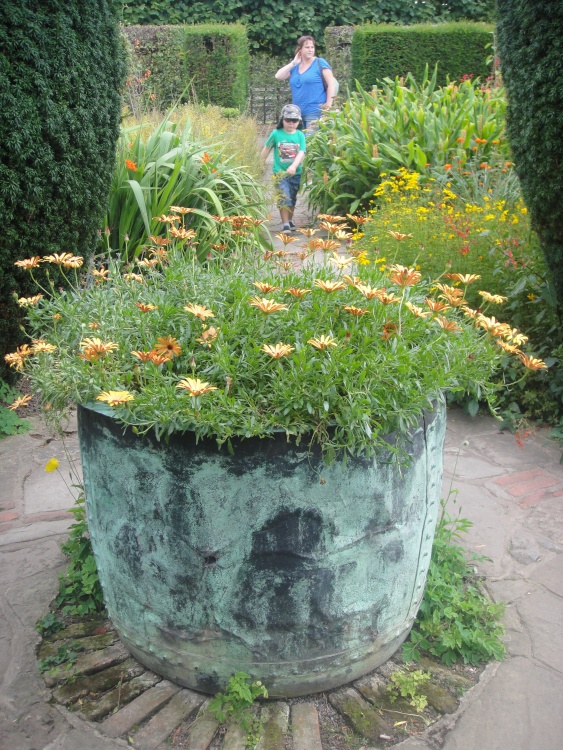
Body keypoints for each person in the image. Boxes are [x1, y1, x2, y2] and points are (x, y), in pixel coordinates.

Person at [275, 35, 336, 132]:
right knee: (299, 145)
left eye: (312, 47)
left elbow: (331, 84)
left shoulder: (320, 63)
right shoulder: (295, 67)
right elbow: (278, 76)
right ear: (300, 49)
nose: (310, 50)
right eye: (307, 47)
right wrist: (293, 62)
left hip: (315, 112)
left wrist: (328, 107)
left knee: (310, 143)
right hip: (297, 115)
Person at [261, 104, 307, 232]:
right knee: (283, 196)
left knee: (292, 197)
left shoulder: (300, 135)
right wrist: (260, 163)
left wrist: (294, 166)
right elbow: (267, 148)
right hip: (279, 173)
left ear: (299, 121)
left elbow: (302, 152)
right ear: (282, 120)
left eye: (295, 120)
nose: (291, 123)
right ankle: (285, 223)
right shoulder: (276, 134)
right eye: (288, 120)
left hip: (295, 173)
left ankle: (290, 220)